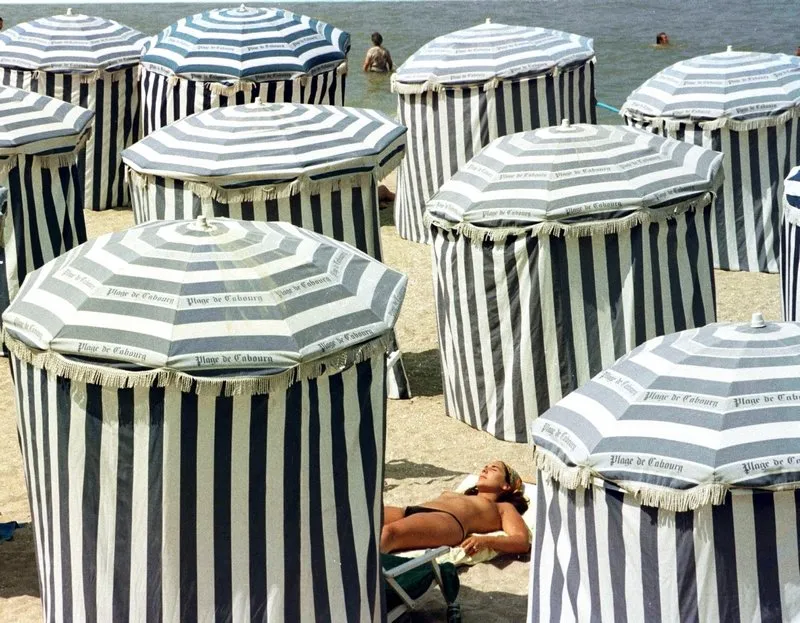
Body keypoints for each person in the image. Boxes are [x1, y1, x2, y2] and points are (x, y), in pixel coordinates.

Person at [381, 461, 530, 555]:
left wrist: (486, 541)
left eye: (494, 469)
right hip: (411, 510)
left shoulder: (503, 507)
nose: (485, 469)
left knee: (388, 534)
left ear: (506, 485)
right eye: (485, 467)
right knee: (365, 519)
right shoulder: (463, 495)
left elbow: (521, 542)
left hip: (447, 521)